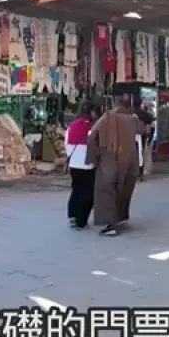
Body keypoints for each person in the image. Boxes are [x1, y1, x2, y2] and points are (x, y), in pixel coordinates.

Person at [86, 94, 144, 236]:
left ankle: (109, 226)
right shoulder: (132, 119)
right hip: (129, 161)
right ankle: (120, 218)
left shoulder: (107, 117)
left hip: (109, 159)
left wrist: (93, 157)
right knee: (123, 190)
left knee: (107, 191)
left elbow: (92, 135)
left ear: (114, 104)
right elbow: (144, 130)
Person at [65, 102, 96, 230]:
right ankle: (81, 220)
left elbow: (66, 144)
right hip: (89, 164)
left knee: (76, 189)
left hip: (74, 164)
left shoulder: (72, 125)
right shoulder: (93, 126)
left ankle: (72, 215)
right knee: (88, 192)